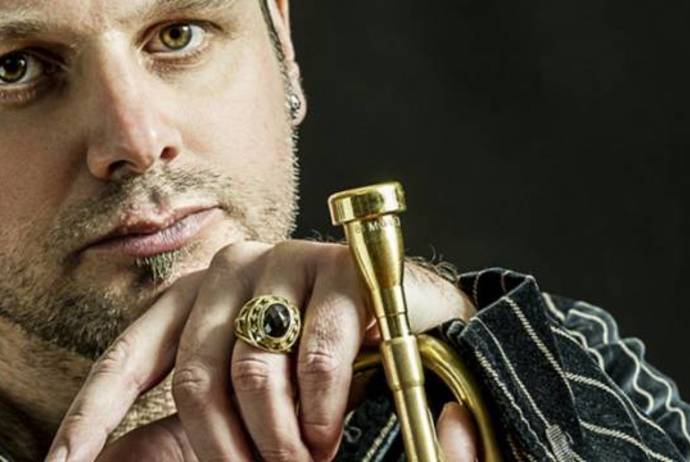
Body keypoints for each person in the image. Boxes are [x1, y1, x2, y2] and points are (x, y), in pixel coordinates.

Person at [0, 0, 687, 461]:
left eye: (180, 34)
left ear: (283, 45)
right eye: (14, 68)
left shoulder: (560, 364)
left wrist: (485, 374)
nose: (136, 140)